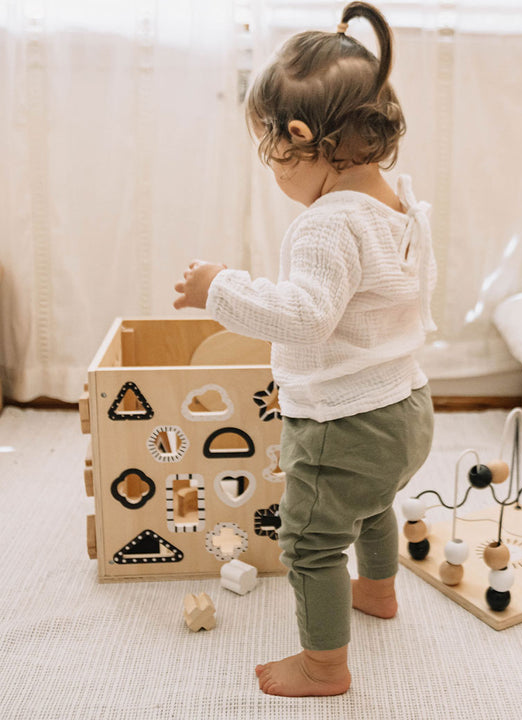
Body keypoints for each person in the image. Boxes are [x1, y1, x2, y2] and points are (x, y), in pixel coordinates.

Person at [173, 1, 436, 697]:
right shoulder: (399, 205)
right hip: (406, 409)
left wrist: (218, 288)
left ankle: (324, 666)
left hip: (342, 424)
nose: (275, 173)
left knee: (311, 540)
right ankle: (377, 591)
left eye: (272, 156)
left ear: (300, 138)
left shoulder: (328, 224)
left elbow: (304, 317)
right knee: (372, 504)